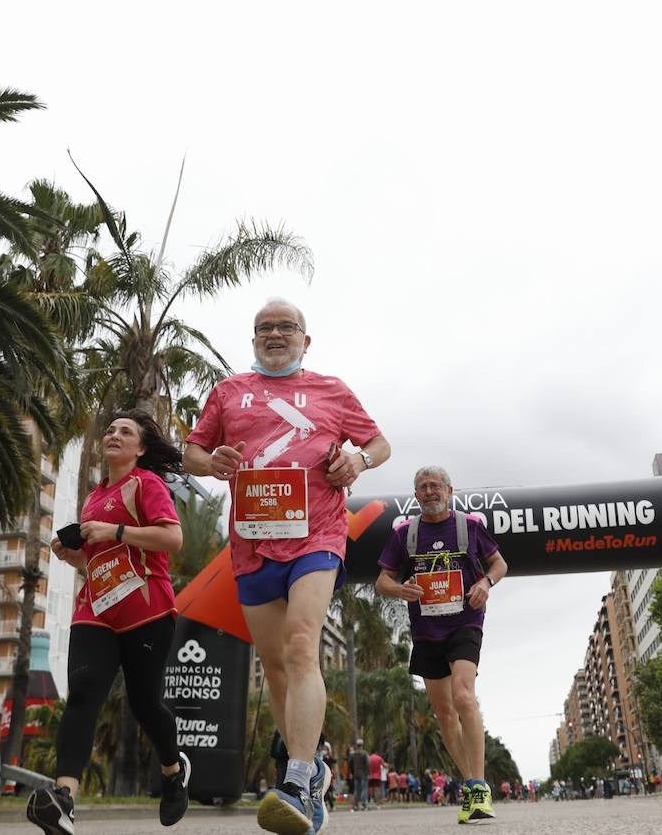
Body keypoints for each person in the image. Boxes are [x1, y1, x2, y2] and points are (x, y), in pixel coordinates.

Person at [185, 298, 390, 835]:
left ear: (305, 338)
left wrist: (358, 460)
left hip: (318, 532)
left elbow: (379, 442)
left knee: (303, 643)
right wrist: (214, 462)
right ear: (254, 339)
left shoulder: (332, 390)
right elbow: (191, 454)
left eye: (285, 327)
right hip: (252, 542)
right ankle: (313, 767)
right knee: (274, 666)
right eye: (264, 328)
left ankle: (296, 778)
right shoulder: (227, 393)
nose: (274, 334)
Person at [27, 409, 191, 833]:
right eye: (111, 430)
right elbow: (96, 562)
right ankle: (64, 799)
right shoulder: (94, 497)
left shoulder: (146, 484)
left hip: (146, 610)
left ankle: (174, 774)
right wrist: (74, 555)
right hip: (95, 609)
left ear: (140, 448)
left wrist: (115, 532)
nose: (114, 435)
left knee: (143, 704)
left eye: (126, 432)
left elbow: (172, 537)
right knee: (82, 695)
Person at [375, 466, 508, 825]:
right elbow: (382, 581)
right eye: (423, 487)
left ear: (450, 490)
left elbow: (499, 564)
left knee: (464, 695)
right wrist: (400, 588)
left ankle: (479, 787)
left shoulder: (470, 527)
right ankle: (470, 784)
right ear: (416, 495)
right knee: (445, 713)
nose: (430, 491)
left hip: (465, 622)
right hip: (425, 630)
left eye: (436, 486)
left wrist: (486, 584)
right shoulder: (405, 534)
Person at [349, 739, 370, 811]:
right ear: (362, 745)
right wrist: (368, 773)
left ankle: (356, 805)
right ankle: (364, 805)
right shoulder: (365, 753)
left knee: (356, 790)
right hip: (363, 773)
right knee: (364, 789)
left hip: (355, 774)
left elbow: (350, 764)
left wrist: (351, 772)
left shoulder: (353, 754)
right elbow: (367, 764)